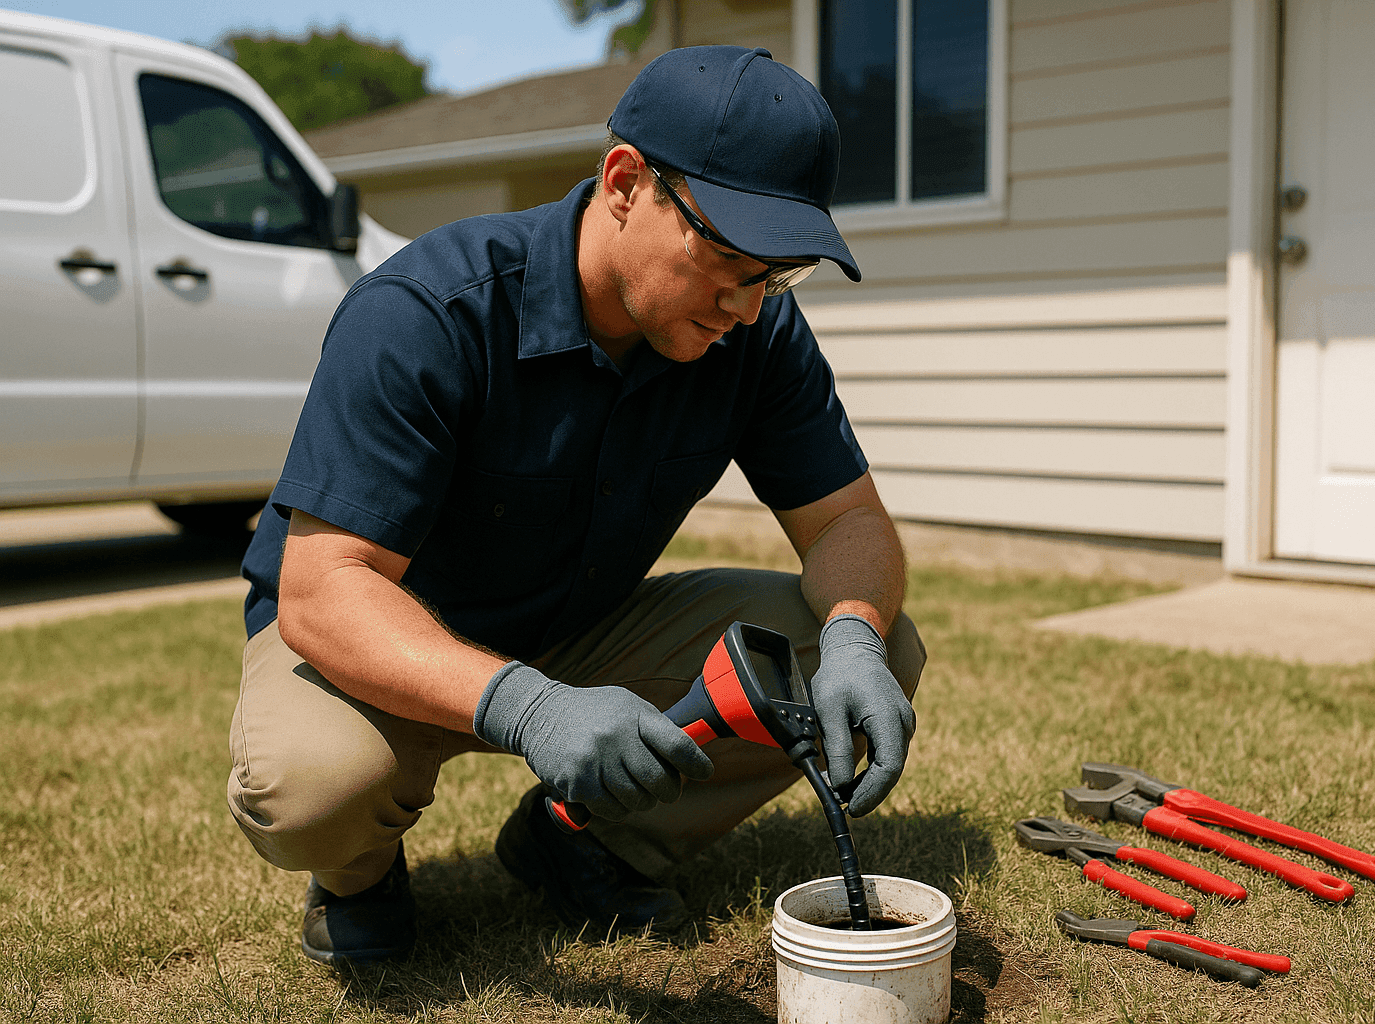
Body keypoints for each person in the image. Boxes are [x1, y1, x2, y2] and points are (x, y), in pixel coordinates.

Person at [228, 44, 925, 965]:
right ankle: (357, 876)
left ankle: (583, 837)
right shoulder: (428, 311)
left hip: (579, 627)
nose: (748, 306)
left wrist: (853, 637)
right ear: (626, 181)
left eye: (779, 274)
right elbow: (323, 587)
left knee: (865, 636)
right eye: (726, 255)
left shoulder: (751, 332)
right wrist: (526, 705)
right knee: (312, 785)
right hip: (379, 639)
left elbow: (848, 522)